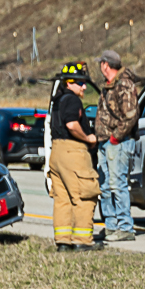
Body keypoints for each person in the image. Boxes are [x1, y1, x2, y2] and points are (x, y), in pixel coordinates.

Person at [46, 64, 100, 251]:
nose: (84, 87)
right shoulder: (72, 100)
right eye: (81, 83)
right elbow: (71, 124)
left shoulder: (57, 100)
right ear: (69, 83)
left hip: (57, 153)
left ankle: (63, 242)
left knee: (63, 199)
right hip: (73, 152)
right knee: (85, 196)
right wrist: (88, 138)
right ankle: (82, 241)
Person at [94, 48, 143, 242]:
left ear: (106, 65)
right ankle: (111, 226)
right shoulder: (109, 86)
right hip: (105, 142)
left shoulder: (124, 84)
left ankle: (125, 227)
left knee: (117, 184)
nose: (100, 66)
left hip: (119, 143)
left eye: (101, 63)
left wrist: (115, 137)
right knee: (105, 186)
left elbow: (131, 115)